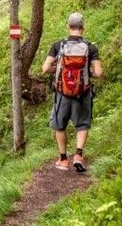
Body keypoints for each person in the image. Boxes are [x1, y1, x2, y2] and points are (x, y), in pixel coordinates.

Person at [41, 12, 103, 172]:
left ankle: (63, 160)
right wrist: (86, 71)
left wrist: (59, 69)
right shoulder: (90, 48)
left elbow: (45, 68)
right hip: (82, 93)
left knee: (59, 125)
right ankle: (78, 155)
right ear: (83, 27)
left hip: (62, 93)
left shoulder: (58, 46)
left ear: (68, 27)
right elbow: (98, 72)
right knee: (82, 124)